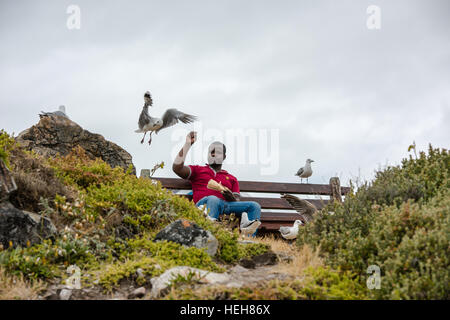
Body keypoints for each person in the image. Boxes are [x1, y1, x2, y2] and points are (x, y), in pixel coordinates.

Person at [172, 131, 261, 235]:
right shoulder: (198, 170)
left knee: (254, 206)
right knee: (213, 199)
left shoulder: (231, 178)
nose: (214, 154)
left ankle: (249, 239)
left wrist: (230, 196)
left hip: (226, 205)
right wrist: (187, 145)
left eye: (217, 152)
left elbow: (236, 200)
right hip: (203, 205)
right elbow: (177, 168)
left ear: (224, 156)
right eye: (211, 152)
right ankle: (209, 235)